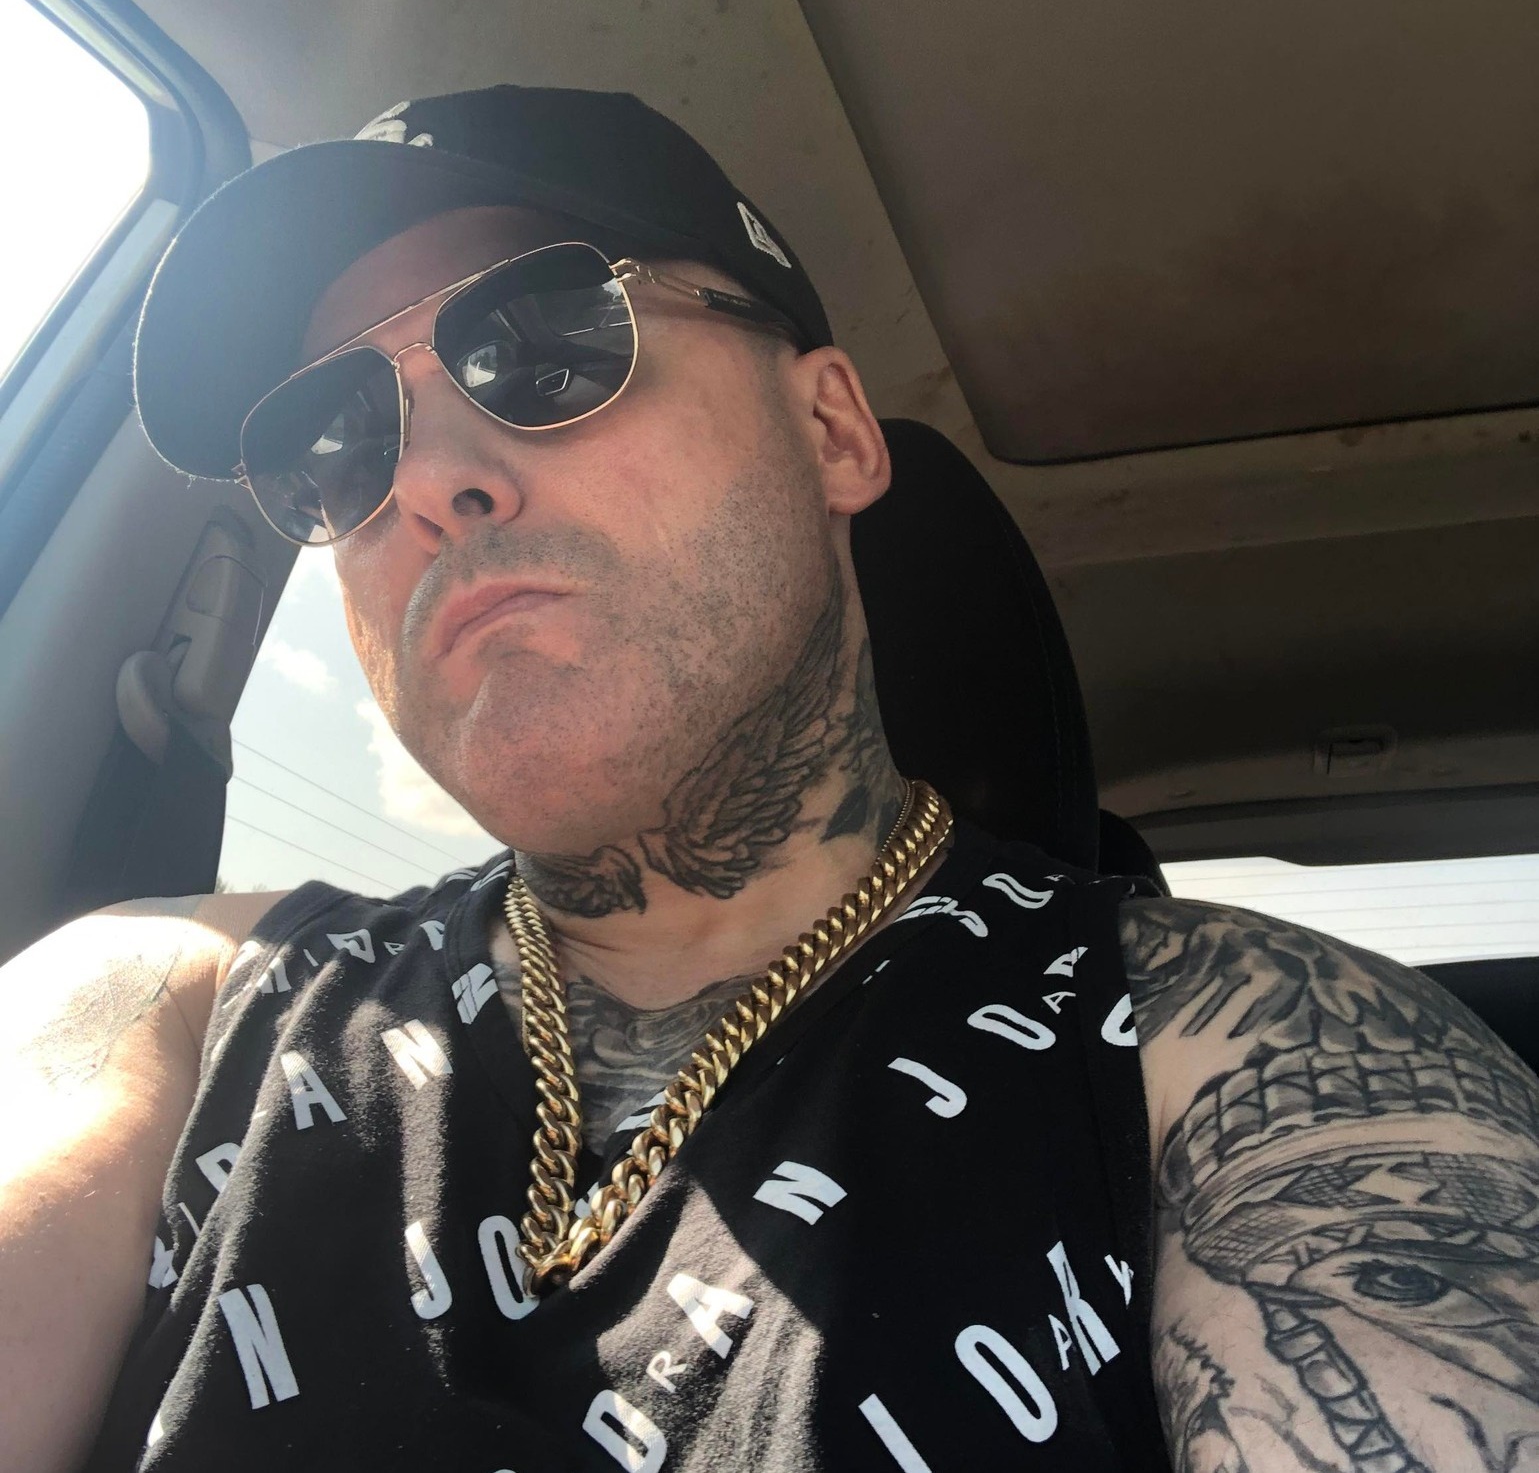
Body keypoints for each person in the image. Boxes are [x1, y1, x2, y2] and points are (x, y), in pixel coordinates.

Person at [2, 84, 1535, 1473]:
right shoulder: (170, 1001)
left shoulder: (1246, 1053)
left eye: (541, 343)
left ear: (831, 430)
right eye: (332, 442)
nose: (422, 477)